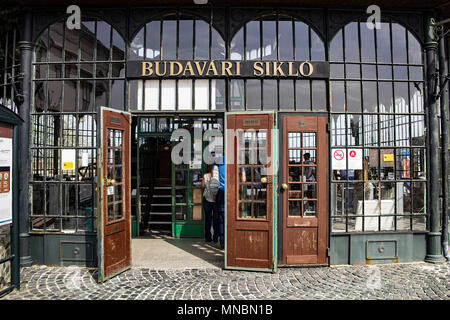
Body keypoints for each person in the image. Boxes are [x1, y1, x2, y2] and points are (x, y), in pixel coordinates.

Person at [213, 155, 225, 249]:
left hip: (221, 192)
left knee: (221, 219)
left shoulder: (218, 161)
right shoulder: (238, 159)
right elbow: (244, 179)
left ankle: (222, 242)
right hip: (233, 192)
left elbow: (215, 179)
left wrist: (214, 193)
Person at [202, 165, 216, 242]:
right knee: (215, 219)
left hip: (207, 199)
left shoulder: (206, 175)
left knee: (208, 219)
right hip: (215, 200)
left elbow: (202, 185)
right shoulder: (218, 177)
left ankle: (208, 237)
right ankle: (215, 237)